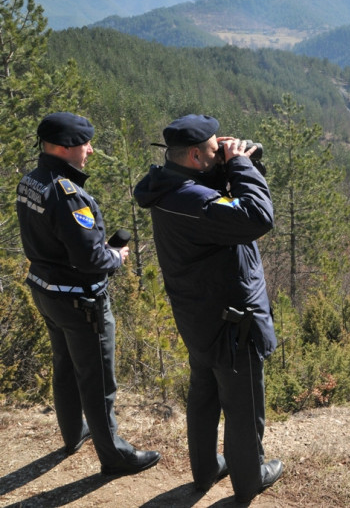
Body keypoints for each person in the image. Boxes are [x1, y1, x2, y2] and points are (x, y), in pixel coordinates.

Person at [133, 114, 282, 503]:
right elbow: (258, 217)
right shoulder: (195, 202)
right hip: (232, 321)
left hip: (197, 316)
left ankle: (204, 469)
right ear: (196, 157)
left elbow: (208, 196)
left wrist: (229, 164)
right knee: (244, 404)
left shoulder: (168, 188)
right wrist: (242, 165)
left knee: (203, 392)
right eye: (216, 150)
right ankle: (250, 479)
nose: (224, 153)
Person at [16, 112, 161, 475]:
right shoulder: (68, 195)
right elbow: (90, 258)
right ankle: (114, 457)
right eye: (85, 144)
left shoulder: (31, 181)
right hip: (80, 300)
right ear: (65, 148)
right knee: (98, 379)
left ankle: (73, 434)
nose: (91, 151)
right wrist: (116, 256)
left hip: (46, 291)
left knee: (64, 365)